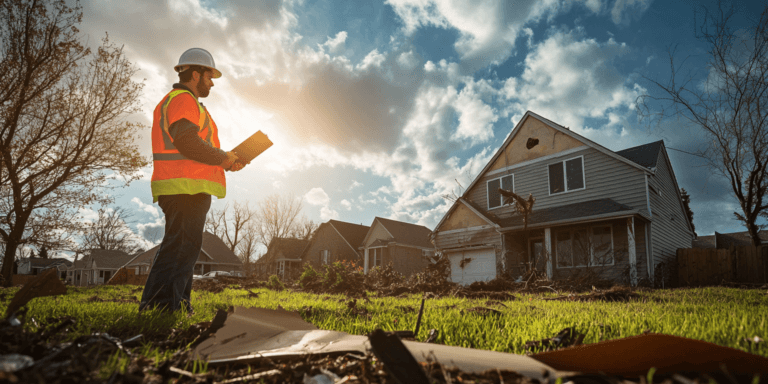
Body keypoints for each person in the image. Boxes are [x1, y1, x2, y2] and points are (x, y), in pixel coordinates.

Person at [140, 48, 246, 313]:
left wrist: (227, 161)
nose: (211, 83)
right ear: (195, 74)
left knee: (183, 249)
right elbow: (187, 142)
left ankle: (173, 306)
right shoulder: (183, 99)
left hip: (186, 187)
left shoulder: (185, 102)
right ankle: (162, 309)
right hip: (183, 188)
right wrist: (223, 158)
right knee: (180, 249)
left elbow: (195, 147)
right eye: (210, 77)